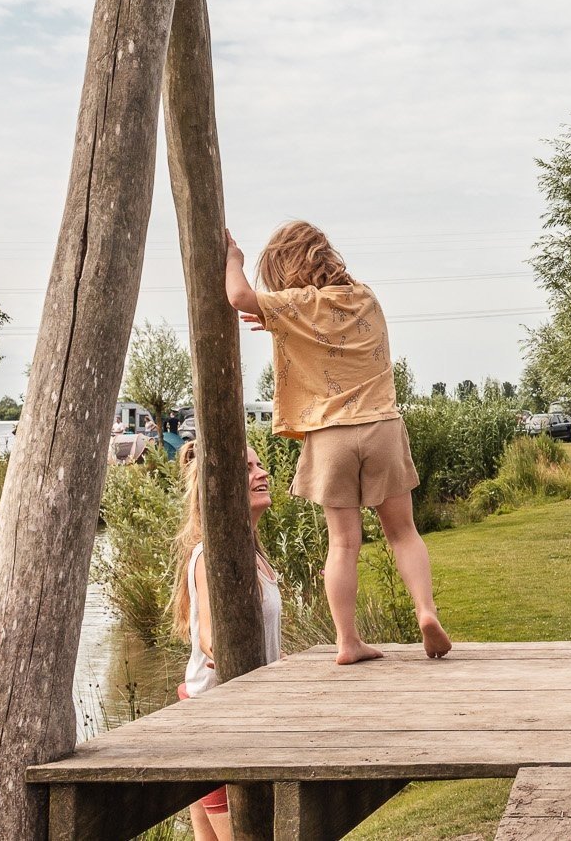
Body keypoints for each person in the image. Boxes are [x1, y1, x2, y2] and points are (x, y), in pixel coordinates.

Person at [224, 221, 452, 662]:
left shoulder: (297, 306)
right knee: (403, 532)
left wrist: (234, 260)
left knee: (343, 543)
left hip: (330, 436)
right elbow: (336, 335)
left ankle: (348, 641)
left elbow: (238, 297)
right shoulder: (365, 297)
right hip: (382, 427)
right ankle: (426, 611)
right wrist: (281, 322)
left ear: (284, 269)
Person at [171, 441, 285, 841]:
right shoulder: (211, 555)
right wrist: (223, 652)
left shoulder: (254, 554)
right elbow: (209, 636)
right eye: (248, 468)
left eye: (260, 465)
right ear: (219, 487)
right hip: (214, 722)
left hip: (239, 717)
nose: (262, 473)